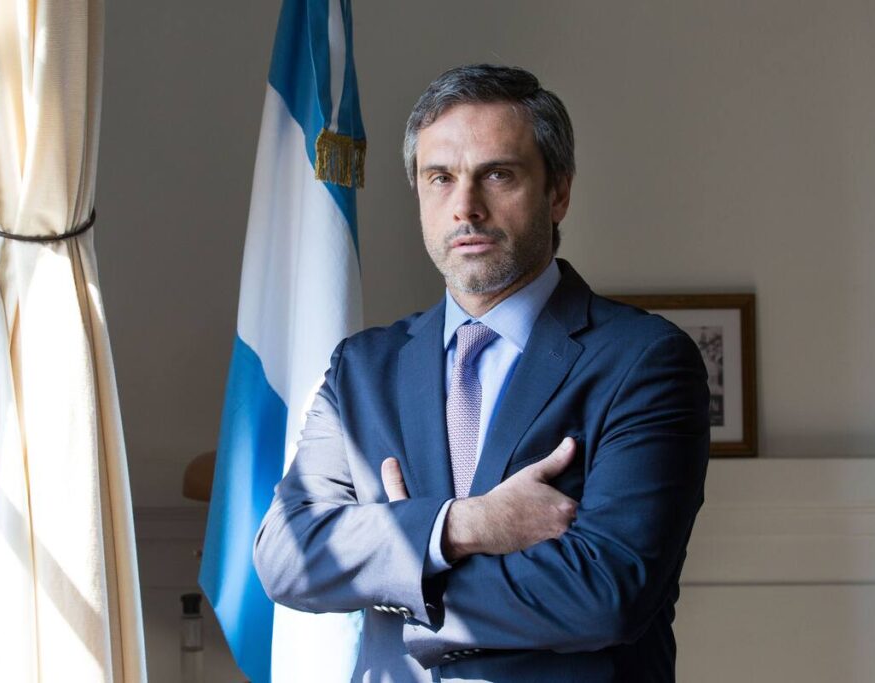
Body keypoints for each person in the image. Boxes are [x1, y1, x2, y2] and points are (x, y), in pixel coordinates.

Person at [253, 64, 710, 682]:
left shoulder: (645, 361)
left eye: (498, 174)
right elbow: (287, 554)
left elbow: (606, 594)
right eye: (440, 178)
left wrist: (397, 575)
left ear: (558, 193)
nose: (465, 207)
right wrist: (463, 526)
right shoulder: (362, 369)